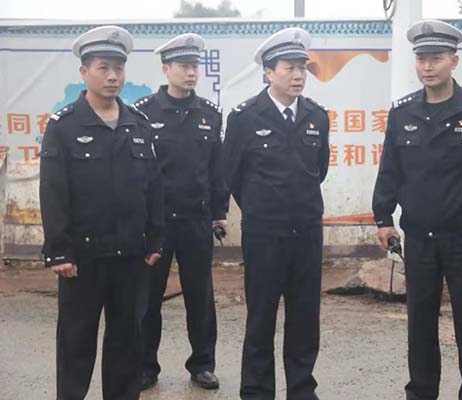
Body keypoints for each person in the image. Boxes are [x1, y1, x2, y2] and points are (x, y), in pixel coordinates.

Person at [372, 19, 462, 400]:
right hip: (419, 237)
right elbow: (390, 169)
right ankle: (421, 392)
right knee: (420, 323)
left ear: (454, 61)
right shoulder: (403, 112)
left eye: (436, 58)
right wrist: (383, 218)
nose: (427, 66)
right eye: (422, 59)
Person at [39, 25, 163, 400]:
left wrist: (155, 239)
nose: (112, 76)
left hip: (130, 255)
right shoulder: (64, 126)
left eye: (118, 68)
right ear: (84, 72)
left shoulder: (138, 124)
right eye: (103, 68)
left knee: (127, 340)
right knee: (76, 341)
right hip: (82, 257)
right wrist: (59, 250)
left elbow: (153, 187)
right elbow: (53, 192)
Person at [222, 27, 330, 400]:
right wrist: (262, 206)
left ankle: (301, 389)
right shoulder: (245, 117)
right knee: (261, 317)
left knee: (304, 317)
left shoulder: (317, 116)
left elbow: (319, 170)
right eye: (289, 68)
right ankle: (256, 391)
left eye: (302, 67)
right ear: (268, 72)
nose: (298, 75)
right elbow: (232, 174)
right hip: (264, 235)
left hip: (307, 233)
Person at [133, 33, 227, 391]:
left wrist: (219, 212)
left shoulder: (209, 114)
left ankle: (202, 364)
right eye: (184, 66)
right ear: (166, 69)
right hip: (155, 223)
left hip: (196, 220)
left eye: (194, 66)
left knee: (200, 296)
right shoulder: (143, 113)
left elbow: (217, 169)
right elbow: (138, 170)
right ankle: (145, 366)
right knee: (148, 297)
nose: (191, 73)